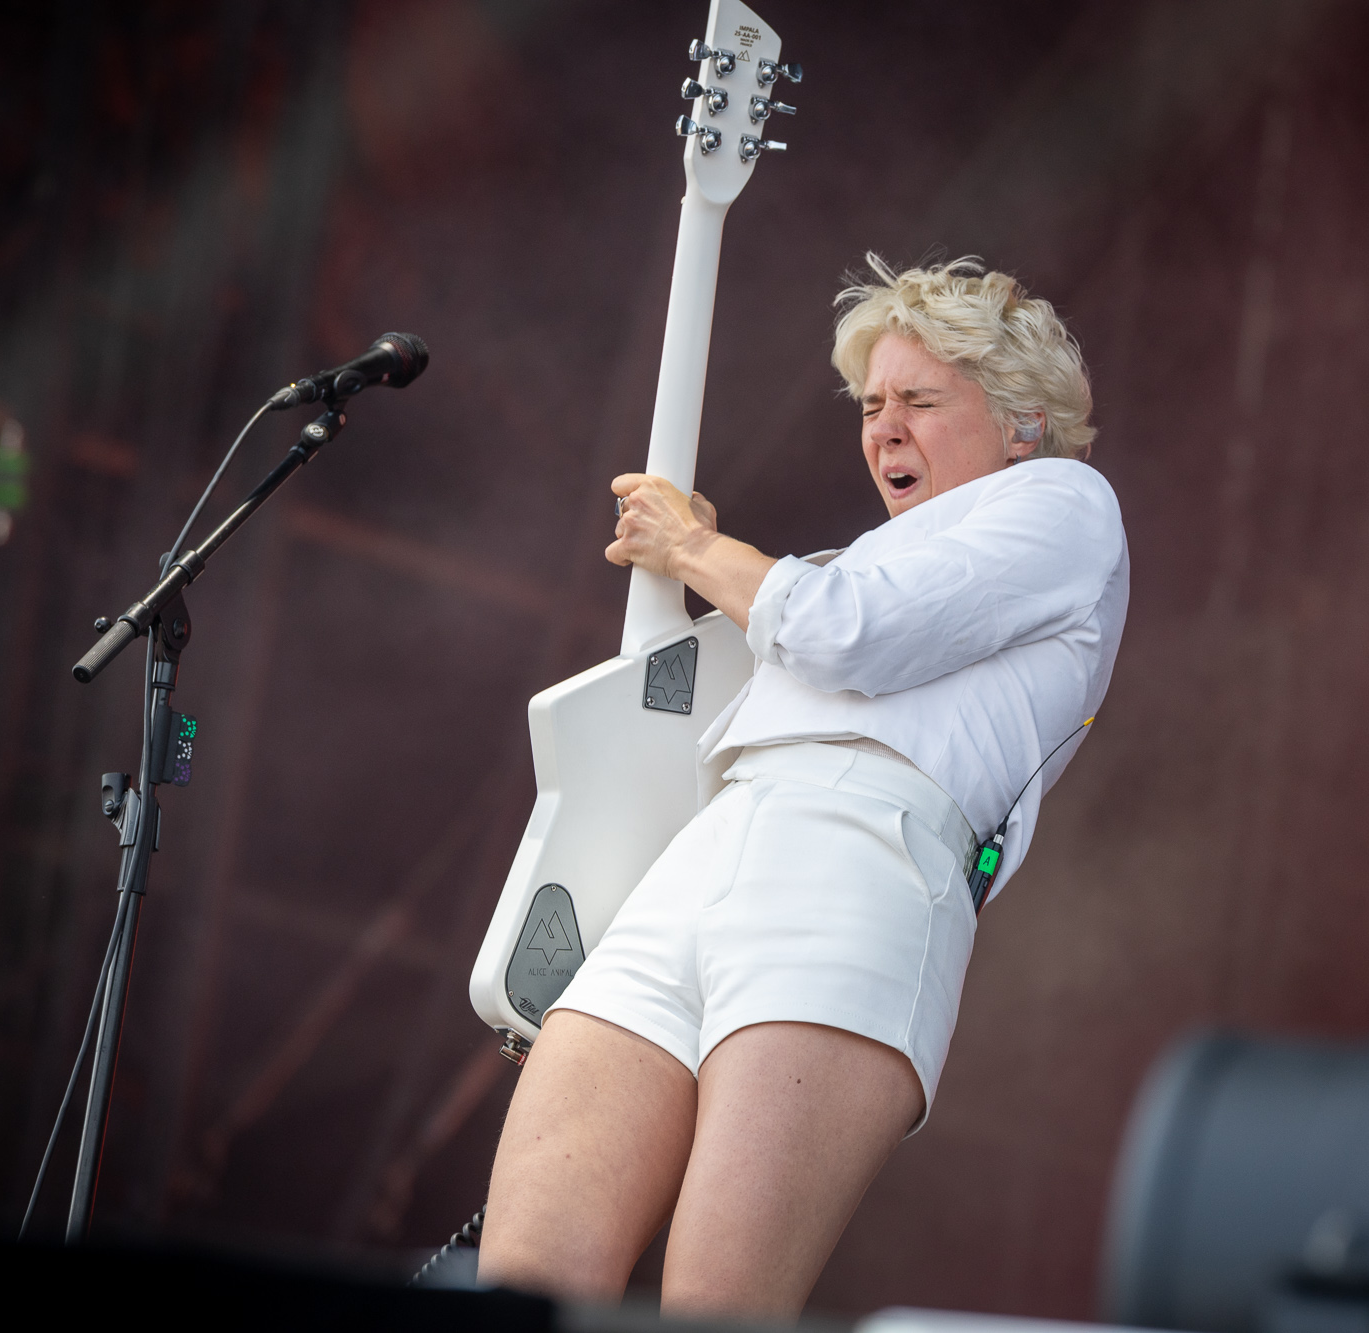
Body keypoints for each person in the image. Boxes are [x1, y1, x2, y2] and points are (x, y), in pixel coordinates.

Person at [477, 255, 1129, 1318]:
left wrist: (698, 547)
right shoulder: (861, 558)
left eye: (920, 400)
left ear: (1022, 423)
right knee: (520, 1289)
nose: (885, 428)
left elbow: (846, 633)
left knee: (714, 1310)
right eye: (870, 405)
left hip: (859, 865)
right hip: (711, 849)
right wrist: (703, 569)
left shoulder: (1063, 503)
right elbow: (807, 631)